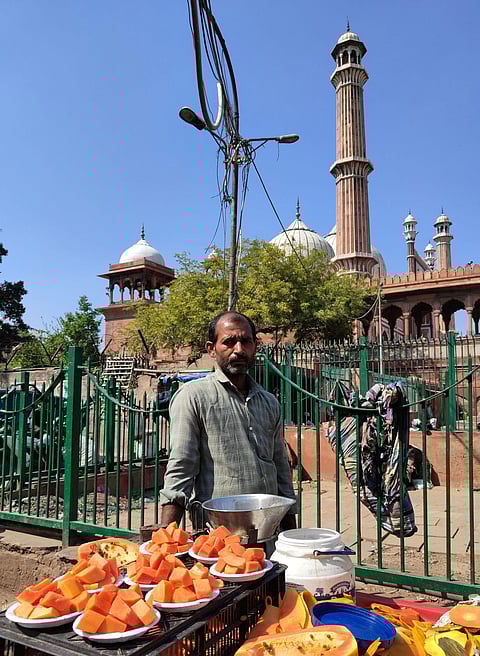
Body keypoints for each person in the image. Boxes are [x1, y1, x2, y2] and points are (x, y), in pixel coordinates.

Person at [159, 311, 297, 532]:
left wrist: (291, 531)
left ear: (255, 346)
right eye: (229, 342)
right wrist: (166, 533)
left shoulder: (269, 401)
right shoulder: (194, 397)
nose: (239, 350)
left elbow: (280, 467)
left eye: (246, 341)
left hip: (267, 529)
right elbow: (181, 467)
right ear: (211, 349)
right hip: (217, 534)